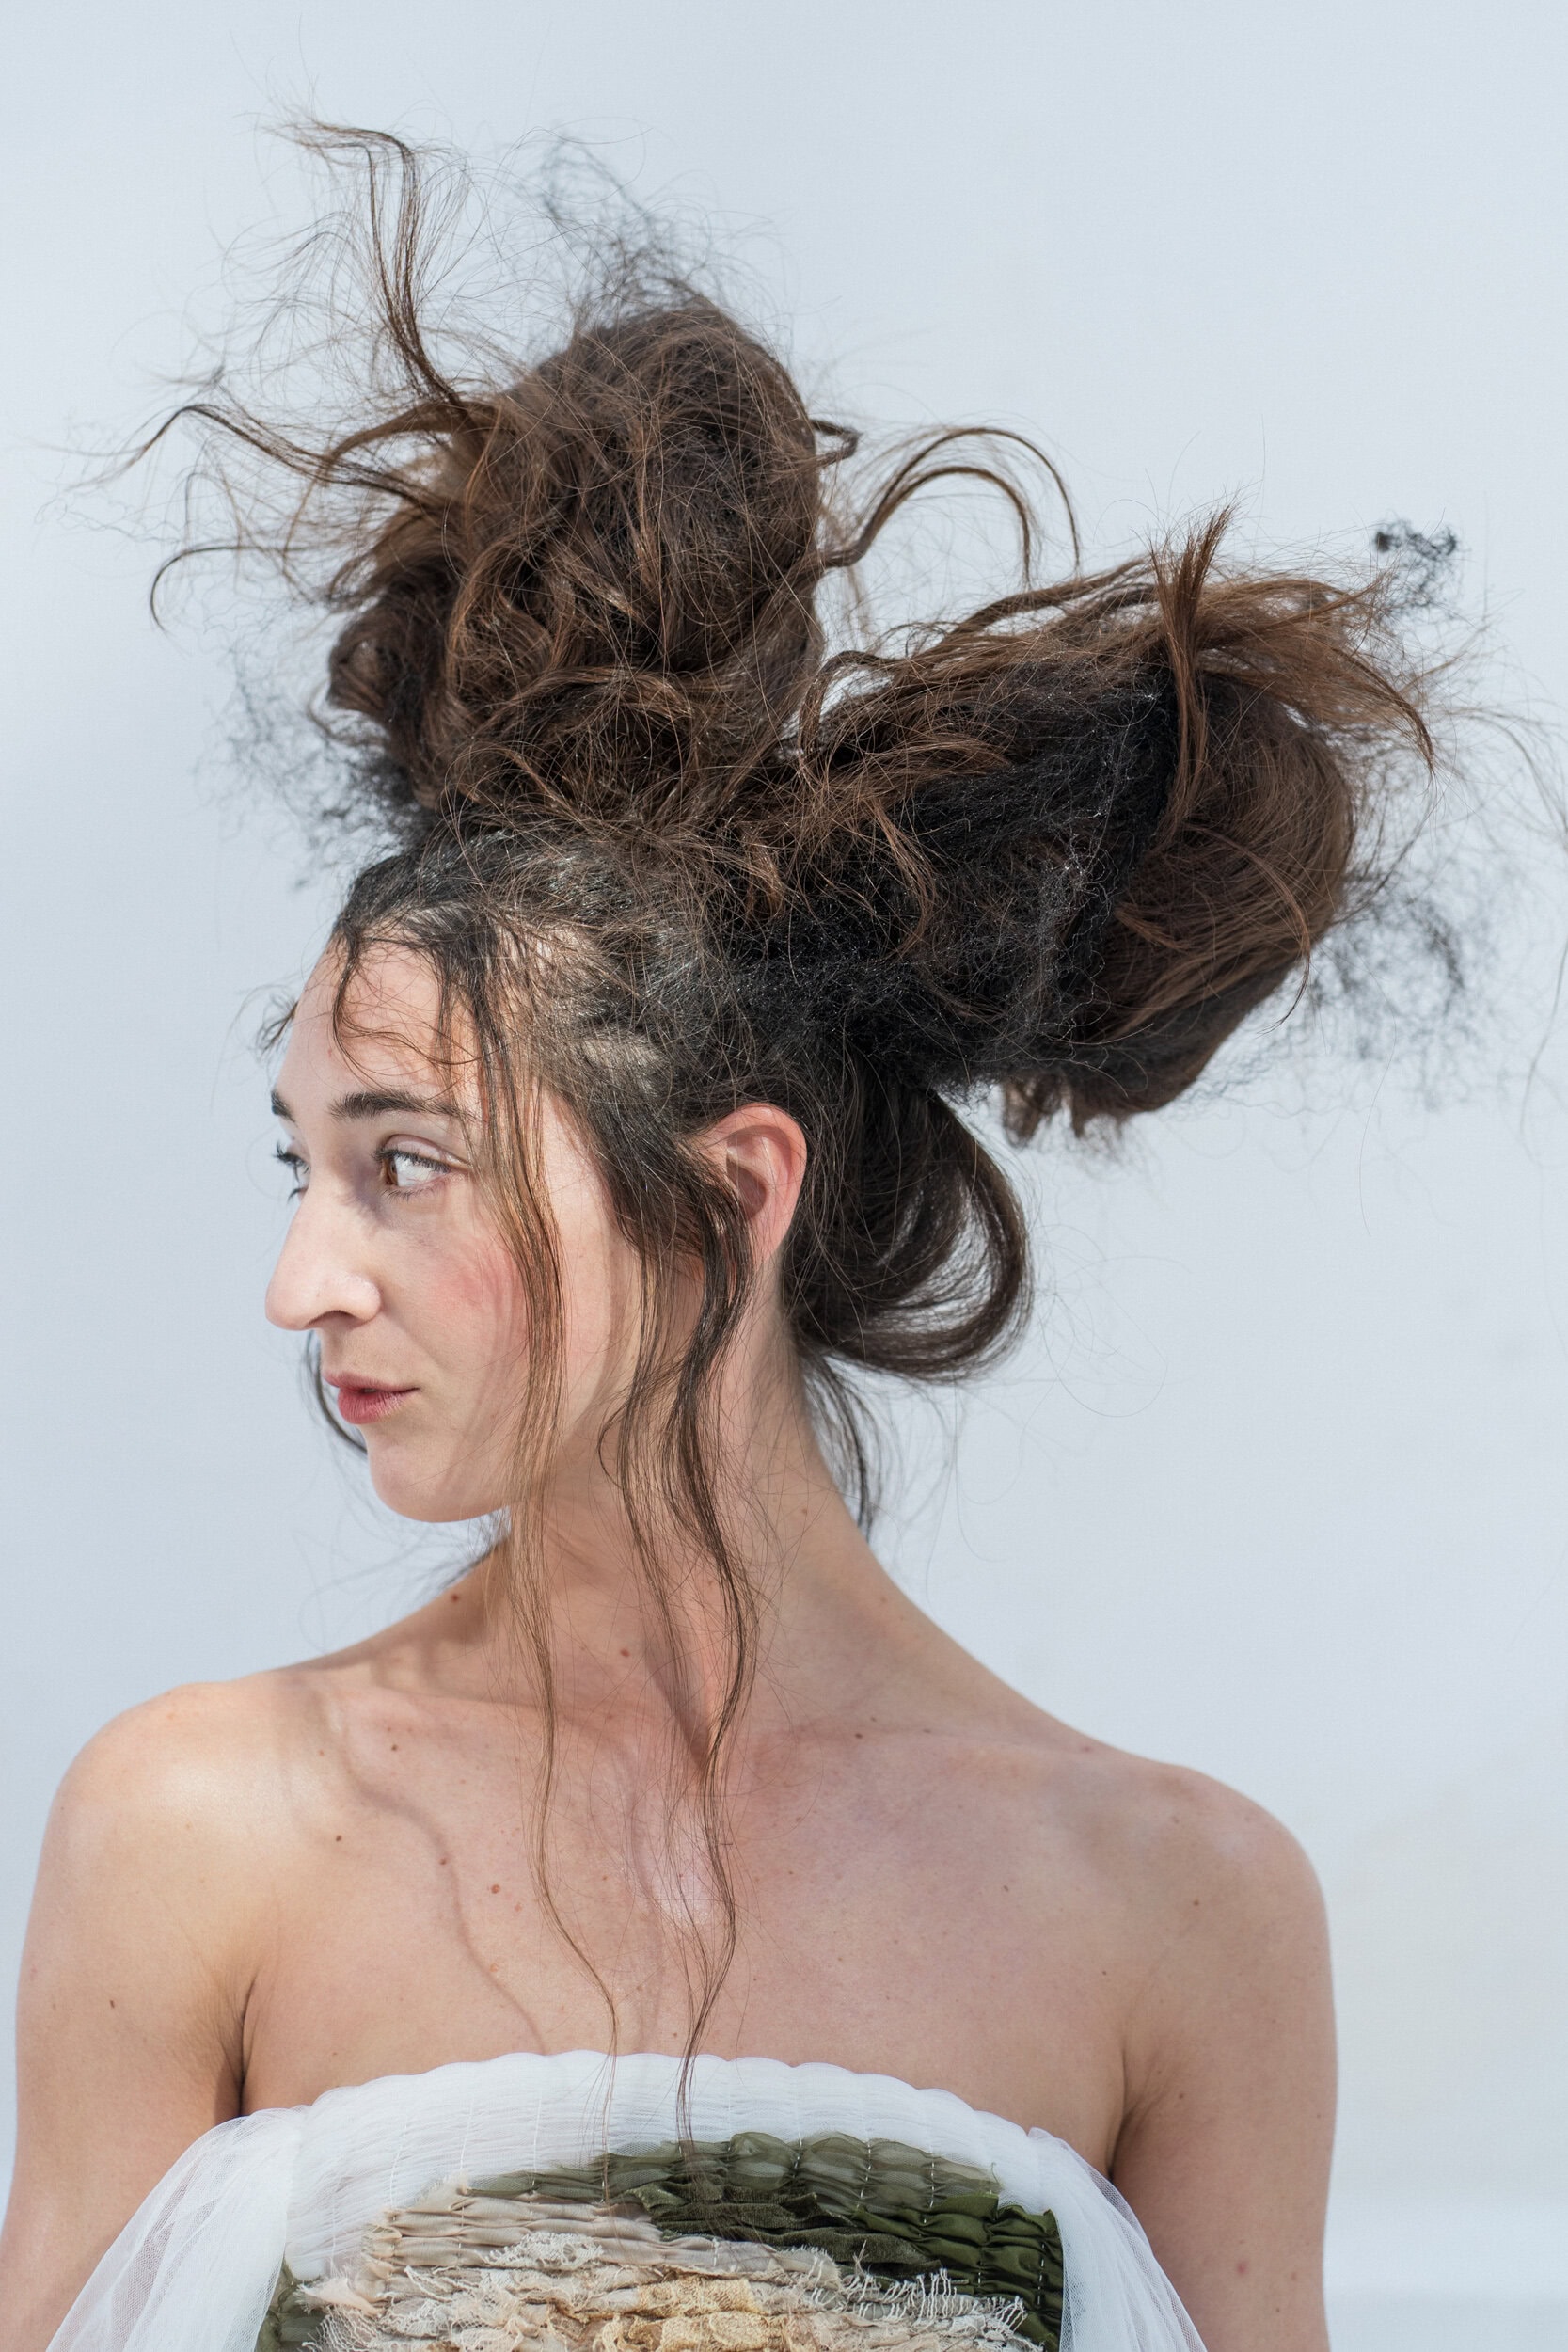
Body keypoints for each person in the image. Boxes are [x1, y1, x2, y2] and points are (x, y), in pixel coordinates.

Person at [0, 131, 1441, 2352]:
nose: (301, 1284)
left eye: (407, 1161)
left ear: (737, 1193)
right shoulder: (196, 1832)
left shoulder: (1177, 1908)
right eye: (302, 1165)